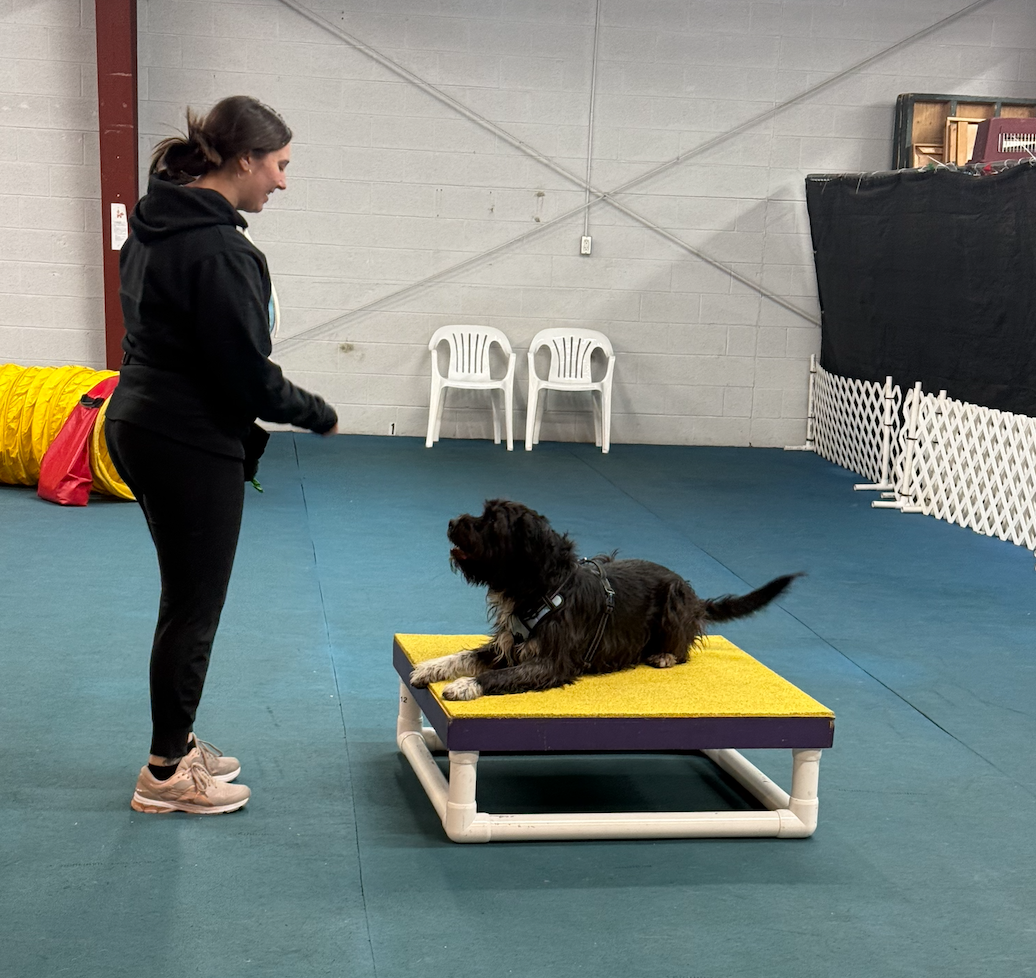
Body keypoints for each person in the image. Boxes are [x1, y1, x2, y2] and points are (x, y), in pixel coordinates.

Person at [105, 96, 338, 815]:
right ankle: (166, 773)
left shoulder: (155, 224)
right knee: (194, 606)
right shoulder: (222, 250)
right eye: (280, 165)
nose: (283, 182)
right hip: (186, 439)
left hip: (138, 421)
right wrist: (315, 410)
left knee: (185, 599)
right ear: (244, 160)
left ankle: (175, 739)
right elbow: (247, 377)